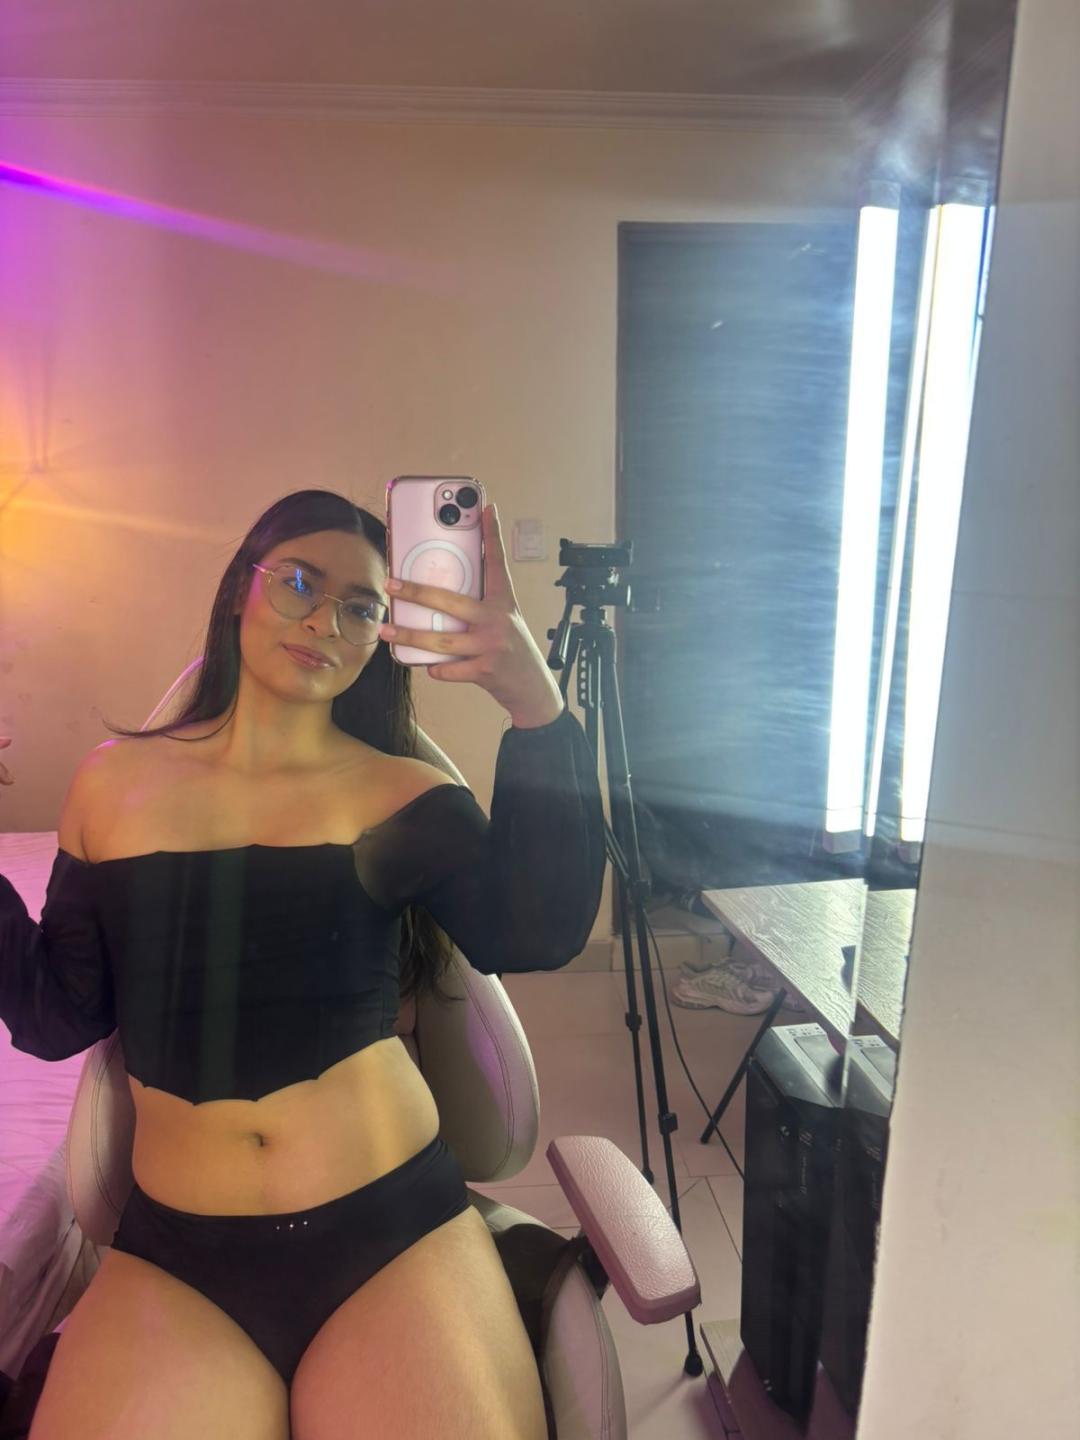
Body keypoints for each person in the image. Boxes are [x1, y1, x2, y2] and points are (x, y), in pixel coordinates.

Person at [0, 488, 606, 1440]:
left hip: (390, 1232)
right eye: (298, 583)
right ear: (239, 588)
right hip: (180, 1257)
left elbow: (537, 931)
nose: (326, 620)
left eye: (362, 607)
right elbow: (55, 1016)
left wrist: (535, 705)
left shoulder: (399, 793)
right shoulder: (111, 786)